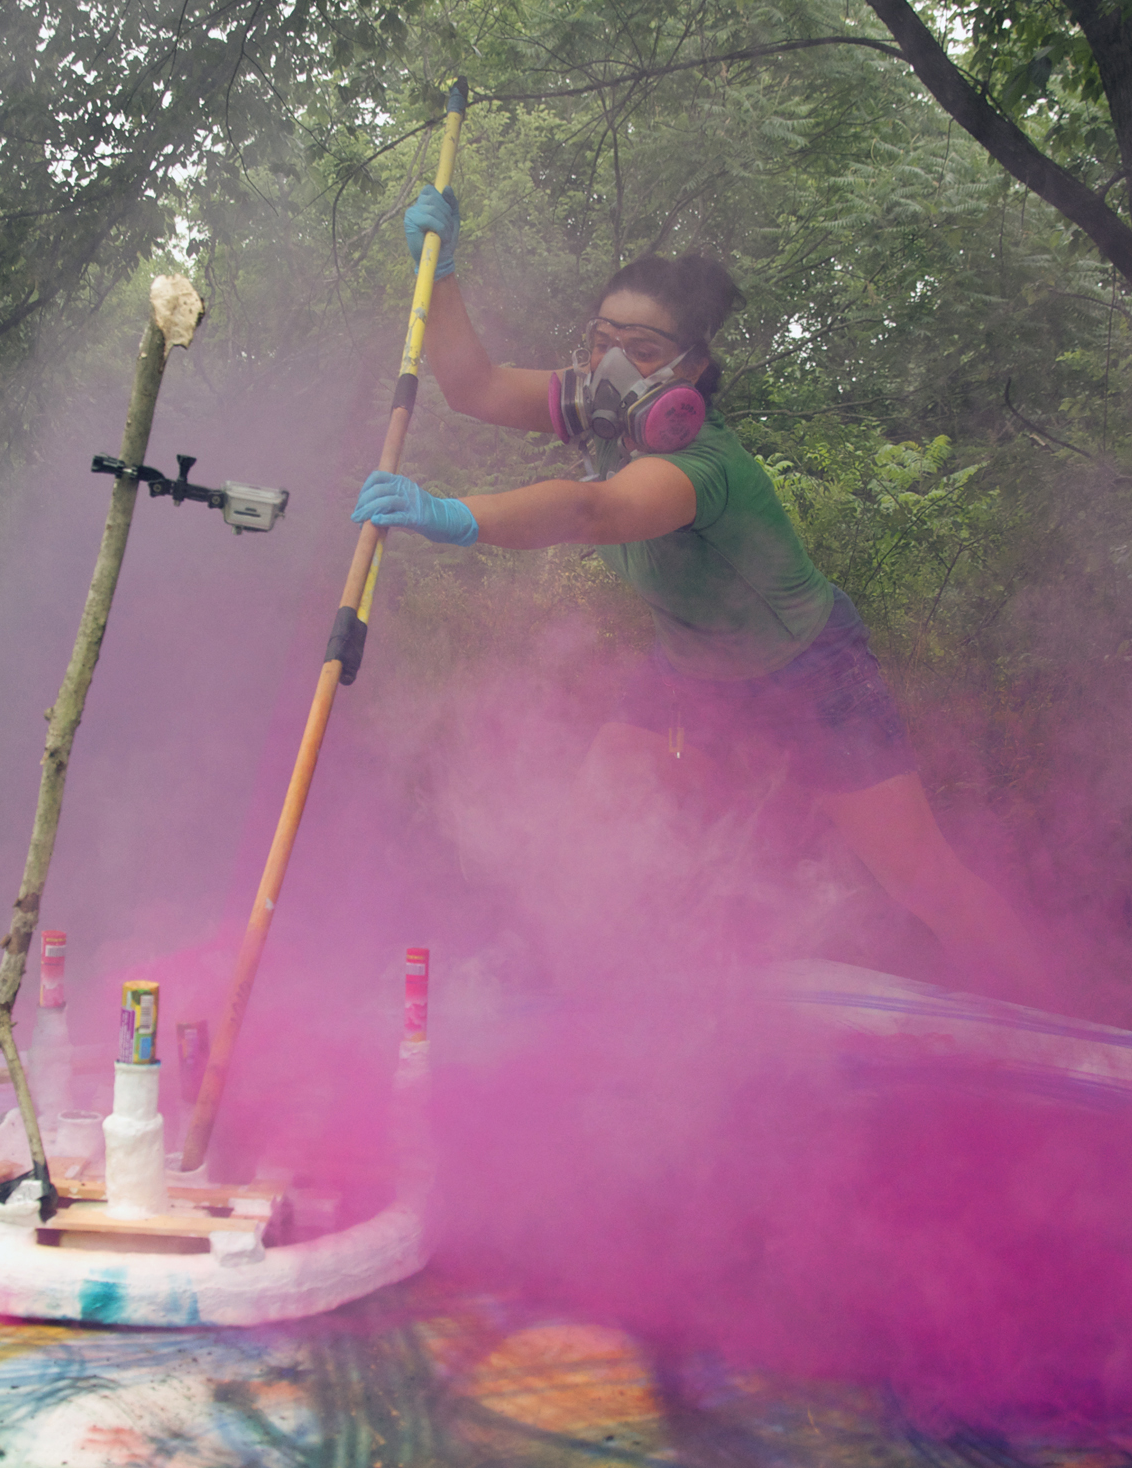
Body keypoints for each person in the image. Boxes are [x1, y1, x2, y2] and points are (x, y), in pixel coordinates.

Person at [351, 184, 1050, 1005]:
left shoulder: (701, 467)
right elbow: (471, 386)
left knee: (920, 876)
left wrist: (451, 516)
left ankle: (1071, 1018)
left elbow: (592, 509)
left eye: (642, 349)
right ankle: (564, 992)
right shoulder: (593, 413)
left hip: (810, 676)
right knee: (590, 827)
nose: (610, 363)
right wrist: (443, 275)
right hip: (687, 673)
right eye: (601, 338)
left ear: (694, 371)